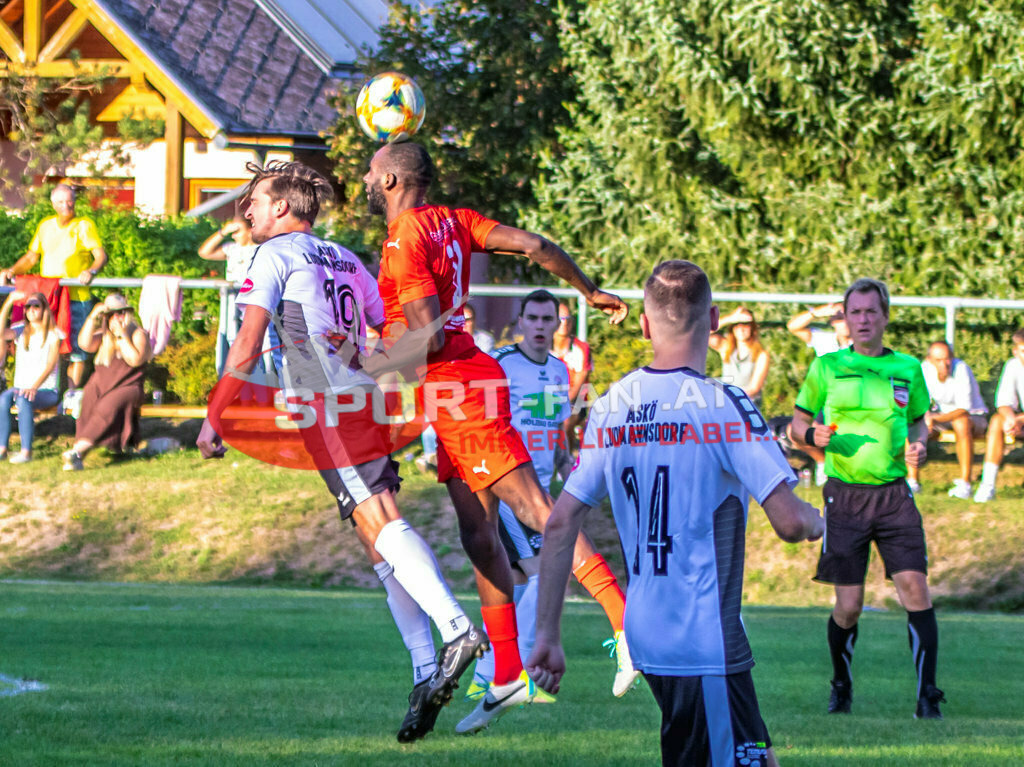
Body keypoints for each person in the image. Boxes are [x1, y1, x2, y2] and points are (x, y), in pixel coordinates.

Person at [195, 160, 484, 744]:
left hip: (327, 405)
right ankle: (425, 669)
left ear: (282, 208)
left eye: (256, 200)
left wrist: (214, 416)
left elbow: (247, 346)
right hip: (363, 401)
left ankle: (456, 630)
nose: (246, 210)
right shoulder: (346, 257)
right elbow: (385, 335)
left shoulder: (272, 257)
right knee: (373, 537)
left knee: (382, 521)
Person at [363, 141, 632, 735]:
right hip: (455, 387)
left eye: (369, 168)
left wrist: (368, 363)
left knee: (536, 510)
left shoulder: (405, 235)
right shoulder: (455, 220)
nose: (362, 175)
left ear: (388, 180)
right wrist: (587, 291)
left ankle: (624, 622)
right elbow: (535, 246)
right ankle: (507, 673)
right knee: (477, 533)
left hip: (460, 386)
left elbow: (428, 336)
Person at [527, 260, 824, 767]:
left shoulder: (611, 405)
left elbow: (558, 523)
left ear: (644, 325)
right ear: (712, 325)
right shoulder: (722, 402)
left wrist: (548, 635)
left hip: (649, 628)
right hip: (701, 636)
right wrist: (825, 520)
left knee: (756, 759)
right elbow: (791, 522)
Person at [467, 289, 639, 701]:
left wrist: (575, 477)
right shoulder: (501, 365)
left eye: (550, 320)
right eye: (535, 319)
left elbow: (558, 439)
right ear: (521, 322)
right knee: (550, 575)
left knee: (522, 584)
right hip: (510, 489)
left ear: (558, 326)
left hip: (542, 490)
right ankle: (620, 637)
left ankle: (487, 679)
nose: (542, 327)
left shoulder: (561, 372)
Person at [791, 278, 946, 719]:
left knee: (915, 589)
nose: (862, 320)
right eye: (854, 312)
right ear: (845, 318)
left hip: (896, 496)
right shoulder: (827, 366)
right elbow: (795, 425)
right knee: (849, 606)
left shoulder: (908, 368)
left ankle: (928, 696)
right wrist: (810, 434)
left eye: (870, 312)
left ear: (884, 317)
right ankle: (841, 684)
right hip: (845, 496)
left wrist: (920, 444)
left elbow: (920, 424)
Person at [1, 183, 107, 390]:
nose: (66, 205)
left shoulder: (83, 225)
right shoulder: (45, 226)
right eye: (61, 201)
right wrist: (12, 271)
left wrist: (91, 271)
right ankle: (48, 392)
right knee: (48, 347)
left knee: (76, 351)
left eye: (70, 200)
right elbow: (32, 257)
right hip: (49, 298)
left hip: (76, 297)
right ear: (53, 204)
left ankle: (71, 395)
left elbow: (100, 256)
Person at [62, 293, 152, 470]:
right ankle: (80, 452)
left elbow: (135, 360)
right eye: (111, 314)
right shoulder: (104, 335)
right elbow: (84, 344)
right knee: (88, 399)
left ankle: (77, 451)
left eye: (120, 313)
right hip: (101, 384)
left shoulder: (137, 334)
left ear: (127, 313)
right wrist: (93, 316)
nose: (115, 318)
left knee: (108, 407)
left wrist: (122, 335)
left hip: (128, 386)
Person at [910, 341, 988, 498]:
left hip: (974, 417)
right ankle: (913, 482)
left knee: (961, 423)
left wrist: (934, 419)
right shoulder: (924, 369)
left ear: (952, 358)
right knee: (913, 424)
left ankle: (965, 484)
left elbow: (963, 410)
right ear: (930, 360)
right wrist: (926, 418)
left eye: (947, 359)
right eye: (938, 360)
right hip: (940, 418)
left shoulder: (961, 369)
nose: (944, 364)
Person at [787, 301, 852, 485]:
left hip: (852, 404)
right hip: (825, 402)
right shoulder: (825, 340)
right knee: (796, 432)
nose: (844, 322)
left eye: (848, 317)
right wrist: (817, 312)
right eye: (840, 318)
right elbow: (793, 326)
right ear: (832, 322)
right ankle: (823, 463)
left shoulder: (865, 345)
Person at [0, 291, 63, 463]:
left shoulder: (53, 334)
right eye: (28, 306)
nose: (31, 310)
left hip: (46, 390)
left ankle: (26, 451)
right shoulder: (20, 330)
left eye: (36, 306)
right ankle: (2, 448)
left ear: (44, 309)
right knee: (4, 399)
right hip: (21, 389)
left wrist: (34, 387)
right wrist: (9, 303)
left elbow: (51, 365)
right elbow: (0, 333)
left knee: (23, 399)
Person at [973, 328, 1024, 502]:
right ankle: (987, 485)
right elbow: (1003, 402)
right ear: (1015, 351)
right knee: (997, 421)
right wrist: (1011, 420)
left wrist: (1017, 419)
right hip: (1020, 422)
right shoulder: (1012, 365)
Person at [710, 305, 771, 406]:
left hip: (746, 404)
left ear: (752, 328)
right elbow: (703, 332)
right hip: (725, 402)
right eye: (737, 324)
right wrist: (730, 318)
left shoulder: (761, 355)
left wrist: (730, 398)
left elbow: (754, 389)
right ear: (732, 328)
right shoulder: (726, 348)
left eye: (746, 325)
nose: (741, 329)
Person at [552, 300, 592, 453]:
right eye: (560, 319)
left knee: (565, 419)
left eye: (567, 319)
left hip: (575, 403)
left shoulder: (581, 348)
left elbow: (578, 385)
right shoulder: (540, 347)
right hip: (545, 400)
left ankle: (564, 461)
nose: (563, 323)